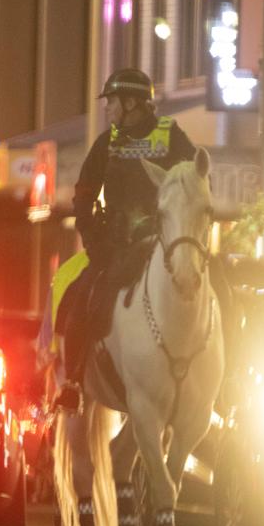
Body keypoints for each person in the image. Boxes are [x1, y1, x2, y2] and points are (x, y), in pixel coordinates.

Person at [54, 68, 196, 412]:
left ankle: (226, 381)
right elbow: (84, 194)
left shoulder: (175, 138)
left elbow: (195, 185)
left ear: (132, 103)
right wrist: (92, 239)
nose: (108, 109)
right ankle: (72, 381)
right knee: (80, 296)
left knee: (217, 288)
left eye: (112, 102)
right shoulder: (108, 142)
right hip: (116, 246)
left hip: (164, 246)